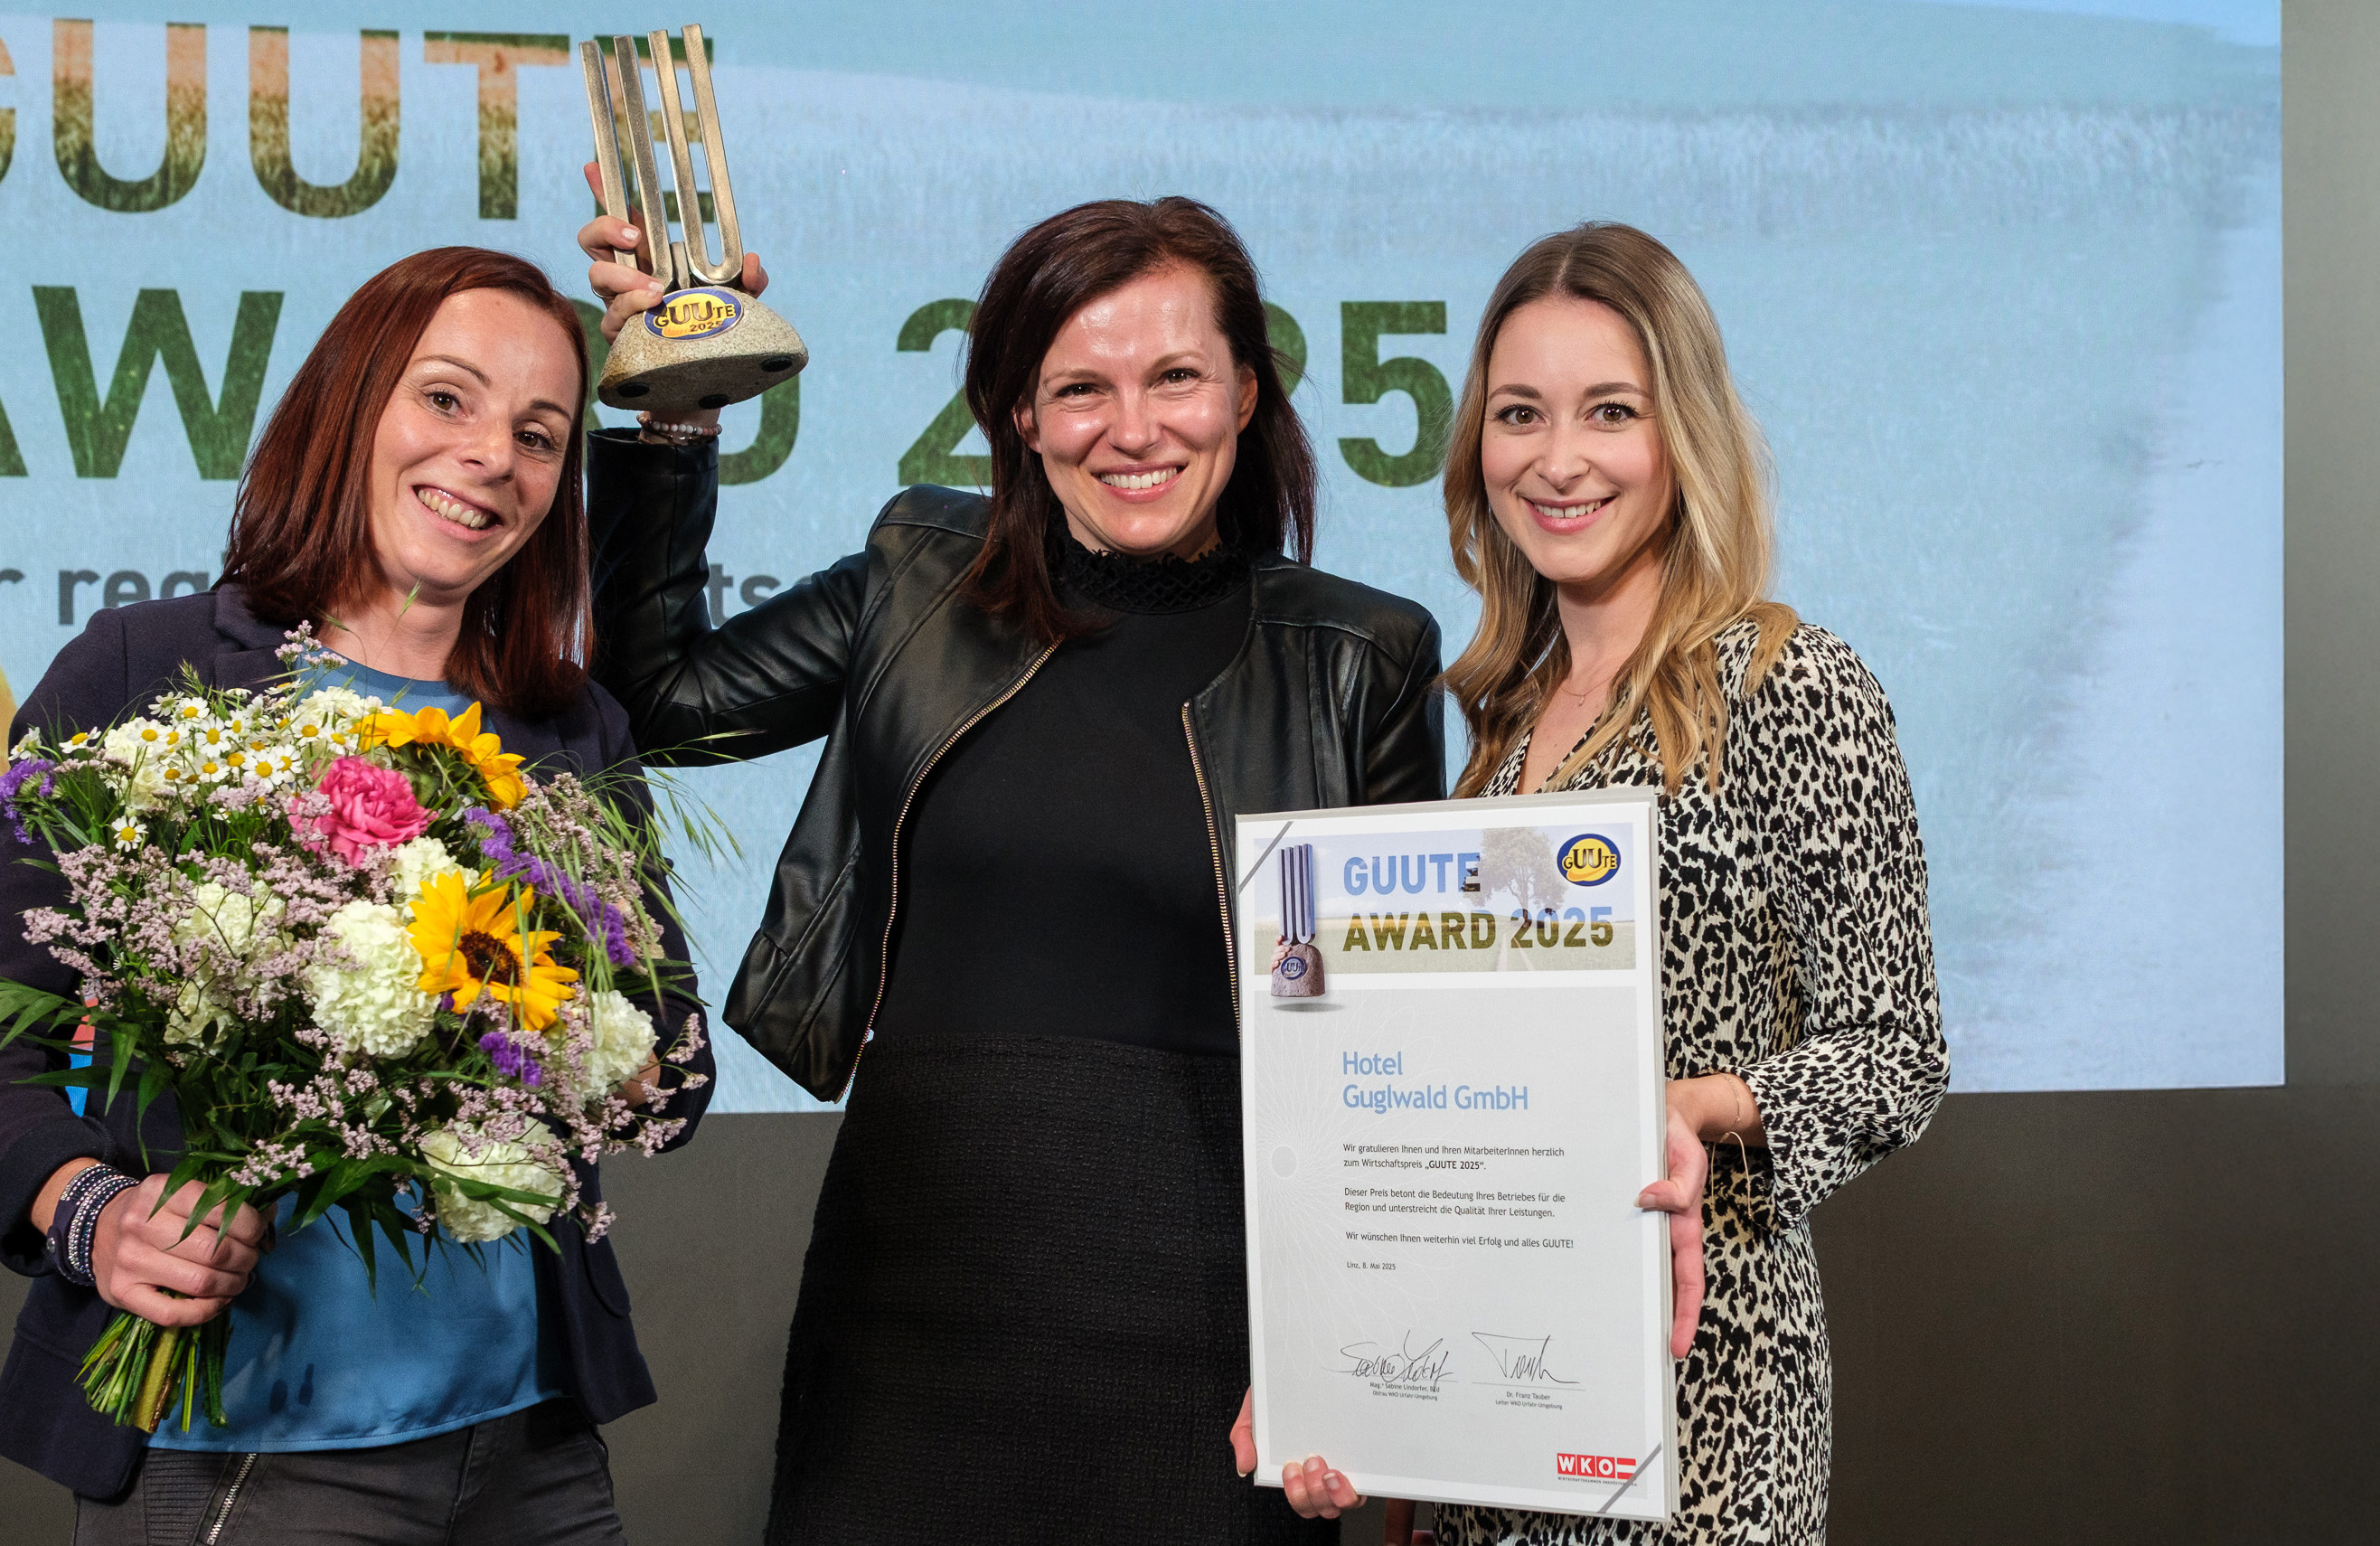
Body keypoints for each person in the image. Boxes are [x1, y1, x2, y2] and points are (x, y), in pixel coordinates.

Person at [579, 193, 1444, 1542]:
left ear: (1245, 394)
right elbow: (662, 700)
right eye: (1081, 388)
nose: (1134, 429)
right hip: (908, 1297)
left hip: (1214, 1319)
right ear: (1022, 416)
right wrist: (678, 407)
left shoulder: (1361, 657)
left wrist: (1346, 1347)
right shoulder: (919, 577)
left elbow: (1397, 1054)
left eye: (1176, 378)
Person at [0, 247, 713, 1545]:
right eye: (447, 398)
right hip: (235, 1444)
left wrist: (583, 1041)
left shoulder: (572, 731)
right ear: (349, 406)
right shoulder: (142, 669)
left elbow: (673, 1074)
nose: (490, 457)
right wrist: (93, 1216)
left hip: (530, 1448)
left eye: (538, 435)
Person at [1275, 222, 1951, 1542]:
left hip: (1703, 1390)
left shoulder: (1789, 684)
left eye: (1611, 411)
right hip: (1500, 1418)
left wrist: (1688, 1107)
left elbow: (1897, 1055)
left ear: (1681, 433)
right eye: (1520, 413)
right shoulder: (1503, 728)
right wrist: (1386, 1424)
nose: (1559, 458)